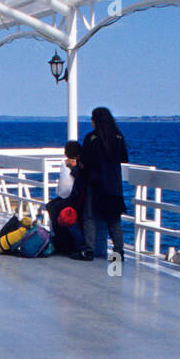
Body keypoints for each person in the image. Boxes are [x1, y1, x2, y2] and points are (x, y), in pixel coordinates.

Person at [81, 106, 130, 261]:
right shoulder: (118, 138)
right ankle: (118, 252)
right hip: (113, 184)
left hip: (95, 184)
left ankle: (89, 250)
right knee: (114, 220)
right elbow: (124, 158)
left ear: (95, 121)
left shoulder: (91, 138)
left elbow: (84, 161)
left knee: (90, 217)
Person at [45, 140, 92, 259]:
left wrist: (72, 168)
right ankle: (63, 243)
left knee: (55, 208)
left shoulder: (78, 165)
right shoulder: (80, 163)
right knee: (54, 206)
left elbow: (64, 191)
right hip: (78, 199)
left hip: (79, 201)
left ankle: (66, 244)